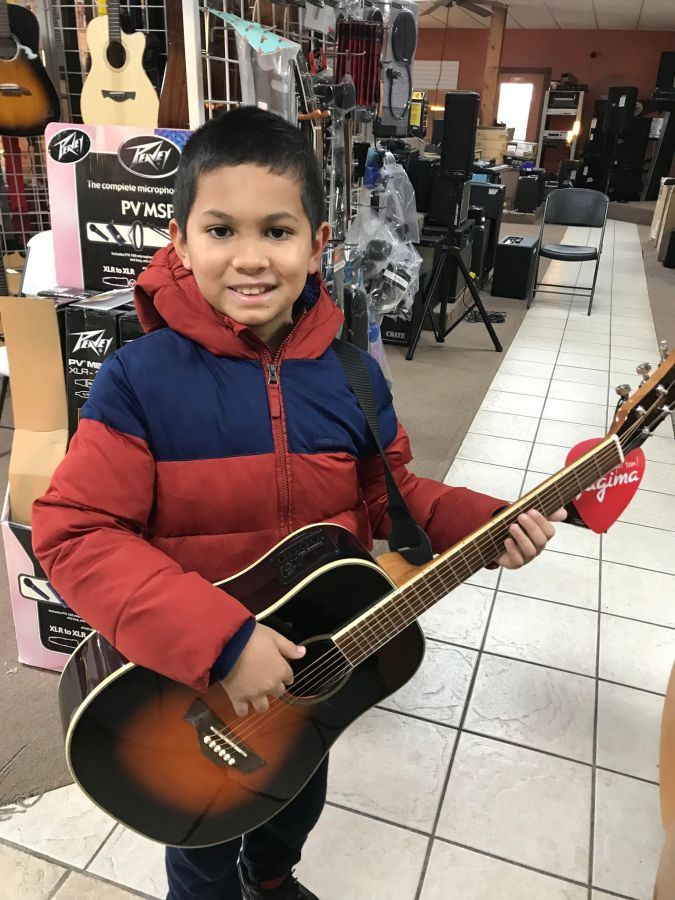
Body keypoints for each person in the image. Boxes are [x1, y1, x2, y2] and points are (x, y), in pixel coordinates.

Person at [32, 107, 565, 900]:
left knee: (295, 795)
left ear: (317, 245)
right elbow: (76, 533)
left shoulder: (352, 374)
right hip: (192, 680)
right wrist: (220, 641)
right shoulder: (138, 380)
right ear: (179, 241)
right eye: (221, 230)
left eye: (277, 232)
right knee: (203, 840)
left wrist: (487, 524)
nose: (250, 258)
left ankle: (273, 877)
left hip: (311, 662)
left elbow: (389, 495)